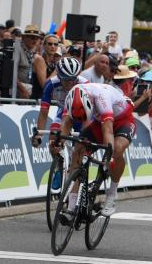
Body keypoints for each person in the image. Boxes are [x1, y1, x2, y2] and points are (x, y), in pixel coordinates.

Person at [55, 83, 134, 218]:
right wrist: (59, 142)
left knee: (117, 149)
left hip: (122, 120)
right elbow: (66, 122)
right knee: (78, 149)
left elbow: (108, 131)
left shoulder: (102, 98)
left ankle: (112, 195)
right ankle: (71, 206)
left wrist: (108, 158)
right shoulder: (71, 96)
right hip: (99, 122)